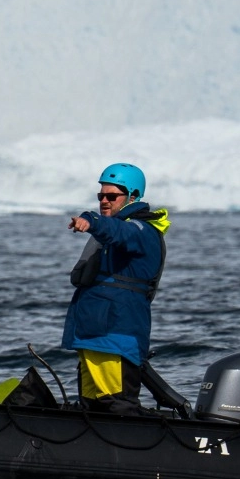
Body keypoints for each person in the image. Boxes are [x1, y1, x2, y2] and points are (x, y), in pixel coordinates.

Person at [62, 162, 170, 412]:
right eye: (101, 196)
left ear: (133, 197)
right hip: (93, 335)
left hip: (114, 336)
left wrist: (91, 220)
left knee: (118, 407)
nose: (104, 201)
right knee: (91, 406)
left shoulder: (141, 230)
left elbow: (119, 231)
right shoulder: (113, 232)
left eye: (112, 196)